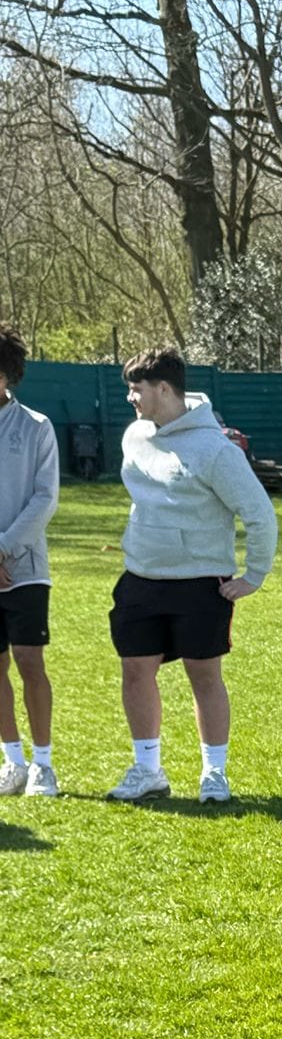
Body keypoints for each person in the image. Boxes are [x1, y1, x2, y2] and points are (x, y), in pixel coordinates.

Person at [107, 345, 277, 804]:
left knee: (204, 676)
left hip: (201, 582)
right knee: (135, 672)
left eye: (136, 389)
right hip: (141, 578)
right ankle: (148, 771)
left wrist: (254, 575)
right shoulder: (134, 437)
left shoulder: (215, 449)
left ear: (164, 388)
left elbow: (259, 514)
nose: (130, 398)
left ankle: (214, 774)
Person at [0, 324, 61, 798]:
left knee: (29, 661)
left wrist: (3, 548)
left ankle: (43, 765)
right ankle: (13, 762)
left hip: (25, 568)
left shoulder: (37, 426)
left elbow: (45, 499)